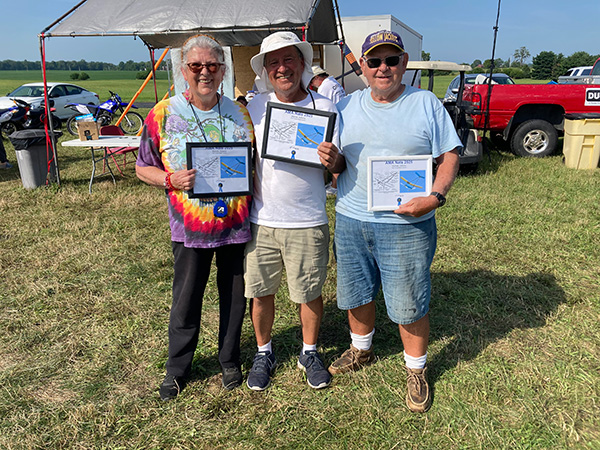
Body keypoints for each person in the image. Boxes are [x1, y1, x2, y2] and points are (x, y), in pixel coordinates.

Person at [323, 30, 461, 413]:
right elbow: (337, 164)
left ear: (403, 64)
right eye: (374, 61)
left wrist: (434, 198)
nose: (384, 68)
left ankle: (416, 369)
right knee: (356, 291)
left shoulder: (426, 103)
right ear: (363, 67)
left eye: (392, 60)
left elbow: (449, 156)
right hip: (352, 217)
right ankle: (360, 350)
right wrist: (330, 162)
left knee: (409, 300)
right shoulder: (346, 107)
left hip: (407, 225)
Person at [135, 34, 254, 401]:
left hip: (235, 224)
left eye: (212, 66)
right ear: (184, 70)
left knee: (234, 298)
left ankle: (229, 359)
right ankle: (177, 368)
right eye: (196, 66)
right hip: (189, 228)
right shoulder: (163, 113)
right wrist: (170, 179)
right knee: (187, 297)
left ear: (223, 70)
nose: (205, 72)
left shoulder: (239, 111)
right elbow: (142, 167)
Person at [244, 31, 344, 391]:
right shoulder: (253, 107)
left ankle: (310, 351)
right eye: (274, 62)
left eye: (289, 60)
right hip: (262, 220)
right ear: (266, 70)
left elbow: (340, 167)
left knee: (309, 292)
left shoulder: (326, 107)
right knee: (260, 291)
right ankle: (263, 351)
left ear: (302, 64)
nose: (282, 68)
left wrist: (336, 161)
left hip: (308, 219)